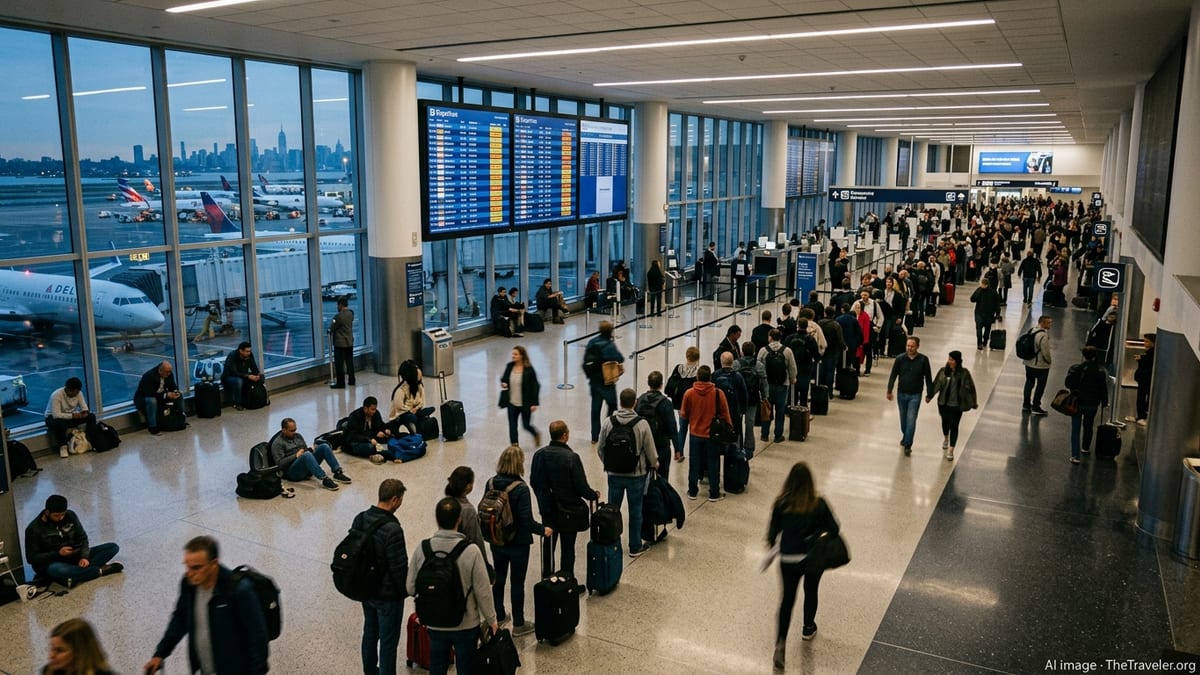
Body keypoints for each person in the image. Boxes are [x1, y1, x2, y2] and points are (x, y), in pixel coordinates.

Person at [144, 535, 269, 675]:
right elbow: (180, 618)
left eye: (196, 568)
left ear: (214, 564)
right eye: (187, 566)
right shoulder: (189, 585)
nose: (189, 573)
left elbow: (258, 638)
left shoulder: (238, 591)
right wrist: (160, 653)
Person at [407, 498, 498, 675]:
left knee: (437, 665)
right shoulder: (471, 551)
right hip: (465, 623)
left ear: (437, 519)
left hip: (434, 622)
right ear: (459, 519)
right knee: (466, 667)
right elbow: (483, 591)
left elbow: (410, 587)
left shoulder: (423, 548)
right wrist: (492, 620)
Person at [766, 462, 840, 672]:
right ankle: (808, 626)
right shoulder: (819, 503)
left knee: (787, 600)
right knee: (811, 590)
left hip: (789, 559)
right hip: (812, 558)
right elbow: (835, 528)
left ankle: (780, 643)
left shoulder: (781, 504)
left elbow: (771, 536)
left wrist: (778, 544)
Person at [487, 445, 552, 637]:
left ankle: (499, 615)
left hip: (496, 540)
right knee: (517, 583)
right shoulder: (521, 488)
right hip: (517, 544)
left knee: (498, 579)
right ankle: (519, 623)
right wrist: (543, 530)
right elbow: (526, 520)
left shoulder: (491, 483)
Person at [352, 479, 408, 675]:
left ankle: (369, 671)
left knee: (370, 632)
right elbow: (398, 570)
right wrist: (405, 592)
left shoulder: (360, 518)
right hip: (387, 597)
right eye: (401, 500)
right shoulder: (393, 529)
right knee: (388, 643)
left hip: (366, 590)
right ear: (394, 500)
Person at [531, 421, 600, 577]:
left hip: (548, 510)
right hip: (569, 511)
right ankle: (566, 580)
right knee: (568, 548)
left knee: (548, 545)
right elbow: (581, 487)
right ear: (564, 436)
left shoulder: (539, 455)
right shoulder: (571, 458)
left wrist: (543, 500)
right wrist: (593, 495)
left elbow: (534, 481)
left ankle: (547, 578)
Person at [597, 388, 659, 556]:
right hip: (636, 475)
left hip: (614, 475)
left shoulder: (608, 422)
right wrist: (654, 464)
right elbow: (650, 451)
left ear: (620, 402)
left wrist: (609, 464)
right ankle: (634, 545)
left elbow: (600, 449)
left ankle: (613, 543)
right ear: (635, 403)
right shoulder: (642, 424)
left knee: (612, 510)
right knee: (635, 510)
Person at [25, 494, 123, 587]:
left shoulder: (70, 515)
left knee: (112, 547)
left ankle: (74, 575)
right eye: (56, 515)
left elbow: (83, 537)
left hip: (75, 555)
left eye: (62, 514)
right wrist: (58, 553)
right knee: (57, 570)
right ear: (47, 512)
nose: (60, 518)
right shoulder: (34, 529)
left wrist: (84, 556)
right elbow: (32, 558)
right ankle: (99, 571)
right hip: (53, 562)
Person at [680, 366, 733, 502]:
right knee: (713, 463)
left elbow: (684, 415)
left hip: (695, 434)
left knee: (694, 463)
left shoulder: (689, 393)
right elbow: (725, 413)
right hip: (712, 435)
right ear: (710, 377)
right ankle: (714, 493)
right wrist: (729, 429)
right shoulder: (717, 393)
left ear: (697, 377)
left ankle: (692, 491)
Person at [268, 417, 351, 491]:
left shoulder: (298, 436)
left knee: (324, 447)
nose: (294, 432)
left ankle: (337, 472)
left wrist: (312, 450)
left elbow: (304, 449)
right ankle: (324, 478)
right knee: (306, 455)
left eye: (295, 429)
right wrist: (296, 456)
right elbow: (280, 464)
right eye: (291, 431)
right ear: (284, 430)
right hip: (292, 472)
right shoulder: (277, 443)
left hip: (305, 464)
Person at [886, 336, 934, 456]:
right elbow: (893, 375)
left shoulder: (923, 360)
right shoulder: (900, 359)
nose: (909, 348)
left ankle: (908, 445)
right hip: (901, 394)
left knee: (911, 420)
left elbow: (928, 378)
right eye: (908, 346)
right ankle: (906, 435)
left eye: (912, 346)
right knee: (903, 420)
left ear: (917, 346)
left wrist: (929, 394)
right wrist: (889, 390)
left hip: (915, 395)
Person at [926, 351, 978, 461]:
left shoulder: (964, 373)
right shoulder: (943, 372)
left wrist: (973, 402)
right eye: (949, 359)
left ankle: (951, 449)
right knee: (945, 422)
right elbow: (937, 384)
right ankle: (946, 438)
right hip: (943, 403)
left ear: (958, 361)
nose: (950, 362)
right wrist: (930, 396)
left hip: (957, 405)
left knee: (954, 425)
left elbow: (971, 388)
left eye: (952, 360)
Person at [1066, 346, 1110, 464]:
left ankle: (1075, 455)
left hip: (1077, 402)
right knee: (1088, 425)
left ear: (1084, 355)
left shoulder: (1076, 368)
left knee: (1075, 428)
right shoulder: (1100, 371)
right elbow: (1103, 389)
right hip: (1092, 403)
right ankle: (1085, 447)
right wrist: (1104, 402)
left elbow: (1068, 383)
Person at [636, 372, 683, 481]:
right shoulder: (666, 403)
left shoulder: (640, 400)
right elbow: (672, 427)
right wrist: (677, 448)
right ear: (661, 384)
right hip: (661, 445)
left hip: (643, 445)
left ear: (648, 383)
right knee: (662, 477)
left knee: (643, 476)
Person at [584, 320, 624, 444]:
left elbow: (585, 361)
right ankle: (607, 430)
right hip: (607, 382)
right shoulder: (609, 345)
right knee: (612, 405)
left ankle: (594, 436)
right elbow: (620, 358)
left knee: (595, 408)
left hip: (594, 382)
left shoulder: (592, 342)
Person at [445, 466, 491, 567]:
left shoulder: (446, 503)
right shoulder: (468, 510)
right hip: (464, 557)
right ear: (468, 486)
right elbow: (476, 538)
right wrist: (486, 565)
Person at [757, 329, 797, 444]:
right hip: (782, 385)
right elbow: (792, 367)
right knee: (780, 411)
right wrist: (792, 378)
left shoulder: (763, 351)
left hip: (767, 386)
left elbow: (758, 367)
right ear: (780, 337)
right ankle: (778, 435)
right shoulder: (787, 351)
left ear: (770, 337)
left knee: (767, 410)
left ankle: (764, 434)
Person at [500, 345, 542, 447]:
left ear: (522, 356)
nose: (513, 356)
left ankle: (536, 434)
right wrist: (504, 383)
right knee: (512, 426)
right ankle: (515, 445)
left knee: (526, 425)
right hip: (512, 403)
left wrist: (534, 403)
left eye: (516, 354)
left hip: (525, 403)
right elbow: (504, 378)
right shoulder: (509, 366)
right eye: (512, 354)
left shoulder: (529, 370)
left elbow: (535, 386)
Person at [44, 377, 95, 458]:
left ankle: (90, 441)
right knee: (60, 424)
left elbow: (84, 407)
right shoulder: (56, 395)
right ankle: (63, 446)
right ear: (68, 390)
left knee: (91, 416)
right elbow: (56, 415)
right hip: (53, 418)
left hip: (70, 415)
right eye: (74, 392)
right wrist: (73, 416)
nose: (76, 394)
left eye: (77, 392)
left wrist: (84, 412)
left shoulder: (78, 393)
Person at [45, 618, 114, 675]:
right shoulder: (49, 671)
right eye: (52, 648)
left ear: (79, 652)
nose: (51, 655)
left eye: (59, 650)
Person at [134, 361, 182, 435]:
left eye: (170, 372)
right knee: (152, 401)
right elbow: (149, 393)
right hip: (145, 398)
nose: (169, 374)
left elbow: (172, 385)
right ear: (160, 371)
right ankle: (152, 427)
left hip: (160, 395)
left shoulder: (169, 374)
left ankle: (180, 417)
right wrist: (166, 395)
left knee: (179, 395)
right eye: (167, 372)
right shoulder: (149, 376)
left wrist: (175, 392)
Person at [388, 361, 434, 435]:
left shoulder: (419, 387)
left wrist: (417, 408)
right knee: (411, 417)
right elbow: (399, 407)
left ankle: (418, 416)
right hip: (402, 414)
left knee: (430, 409)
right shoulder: (401, 390)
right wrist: (410, 410)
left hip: (414, 410)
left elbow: (422, 401)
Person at [344, 396, 393, 463]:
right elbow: (355, 435)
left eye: (375, 409)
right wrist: (369, 439)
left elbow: (381, 424)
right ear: (365, 408)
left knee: (391, 436)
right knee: (370, 447)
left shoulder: (375, 413)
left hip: (370, 437)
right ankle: (389, 456)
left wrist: (385, 430)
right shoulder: (355, 416)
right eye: (372, 409)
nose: (374, 411)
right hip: (355, 441)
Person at [1022, 315, 1053, 416]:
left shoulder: (1032, 331)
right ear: (1042, 323)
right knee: (1040, 386)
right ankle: (1036, 406)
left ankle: (1026, 404)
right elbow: (1046, 352)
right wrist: (1049, 361)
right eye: (1048, 323)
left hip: (1029, 363)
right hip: (1040, 366)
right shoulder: (1043, 335)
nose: (1050, 325)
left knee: (1029, 383)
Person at [222, 342, 265, 410]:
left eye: (250, 351)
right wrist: (248, 376)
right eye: (247, 351)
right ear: (241, 351)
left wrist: (257, 375)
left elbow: (253, 367)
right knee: (239, 381)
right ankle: (237, 403)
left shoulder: (249, 355)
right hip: (229, 377)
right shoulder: (233, 356)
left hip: (243, 375)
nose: (249, 353)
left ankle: (259, 398)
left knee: (261, 376)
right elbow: (234, 372)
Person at [1127, 333, 1155, 426]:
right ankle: (1141, 416)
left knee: (1142, 398)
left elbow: (1147, 364)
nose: (1144, 343)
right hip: (1144, 379)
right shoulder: (1150, 353)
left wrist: (1141, 359)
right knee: (1142, 398)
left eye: (1147, 341)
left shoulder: (1151, 354)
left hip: (1145, 379)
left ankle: (1142, 416)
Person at [330, 296, 356, 388]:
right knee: (350, 362)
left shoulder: (338, 316)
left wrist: (330, 327)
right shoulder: (350, 314)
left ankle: (341, 383)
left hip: (340, 343)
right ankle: (352, 380)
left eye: (337, 305)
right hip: (349, 342)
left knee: (339, 364)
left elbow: (332, 327)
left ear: (340, 305)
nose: (337, 307)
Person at [970, 277, 1002, 350]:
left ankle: (982, 342)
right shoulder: (990, 292)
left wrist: (998, 314)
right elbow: (972, 299)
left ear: (985, 284)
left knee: (983, 329)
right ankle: (981, 343)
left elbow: (997, 304)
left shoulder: (988, 292)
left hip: (984, 314)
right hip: (984, 314)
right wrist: (997, 314)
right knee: (982, 329)